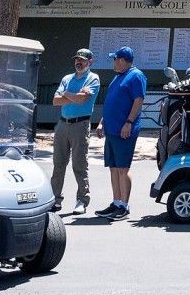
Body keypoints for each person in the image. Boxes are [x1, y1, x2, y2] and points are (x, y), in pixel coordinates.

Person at [94, 46, 147, 220]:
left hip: (125, 130)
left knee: (123, 169)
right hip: (111, 130)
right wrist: (102, 123)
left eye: (115, 59)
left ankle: (124, 206)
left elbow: (138, 100)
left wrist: (129, 123)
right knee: (114, 168)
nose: (113, 62)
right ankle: (116, 202)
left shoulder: (136, 76)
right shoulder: (117, 77)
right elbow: (111, 103)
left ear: (122, 60)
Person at [51, 47, 100, 214]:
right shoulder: (67, 78)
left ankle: (82, 200)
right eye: (77, 59)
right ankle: (55, 200)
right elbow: (55, 101)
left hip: (81, 125)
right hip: (62, 124)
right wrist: (72, 94)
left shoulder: (93, 78)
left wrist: (66, 94)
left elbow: (82, 100)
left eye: (83, 60)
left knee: (79, 164)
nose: (78, 62)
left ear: (90, 62)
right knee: (58, 164)